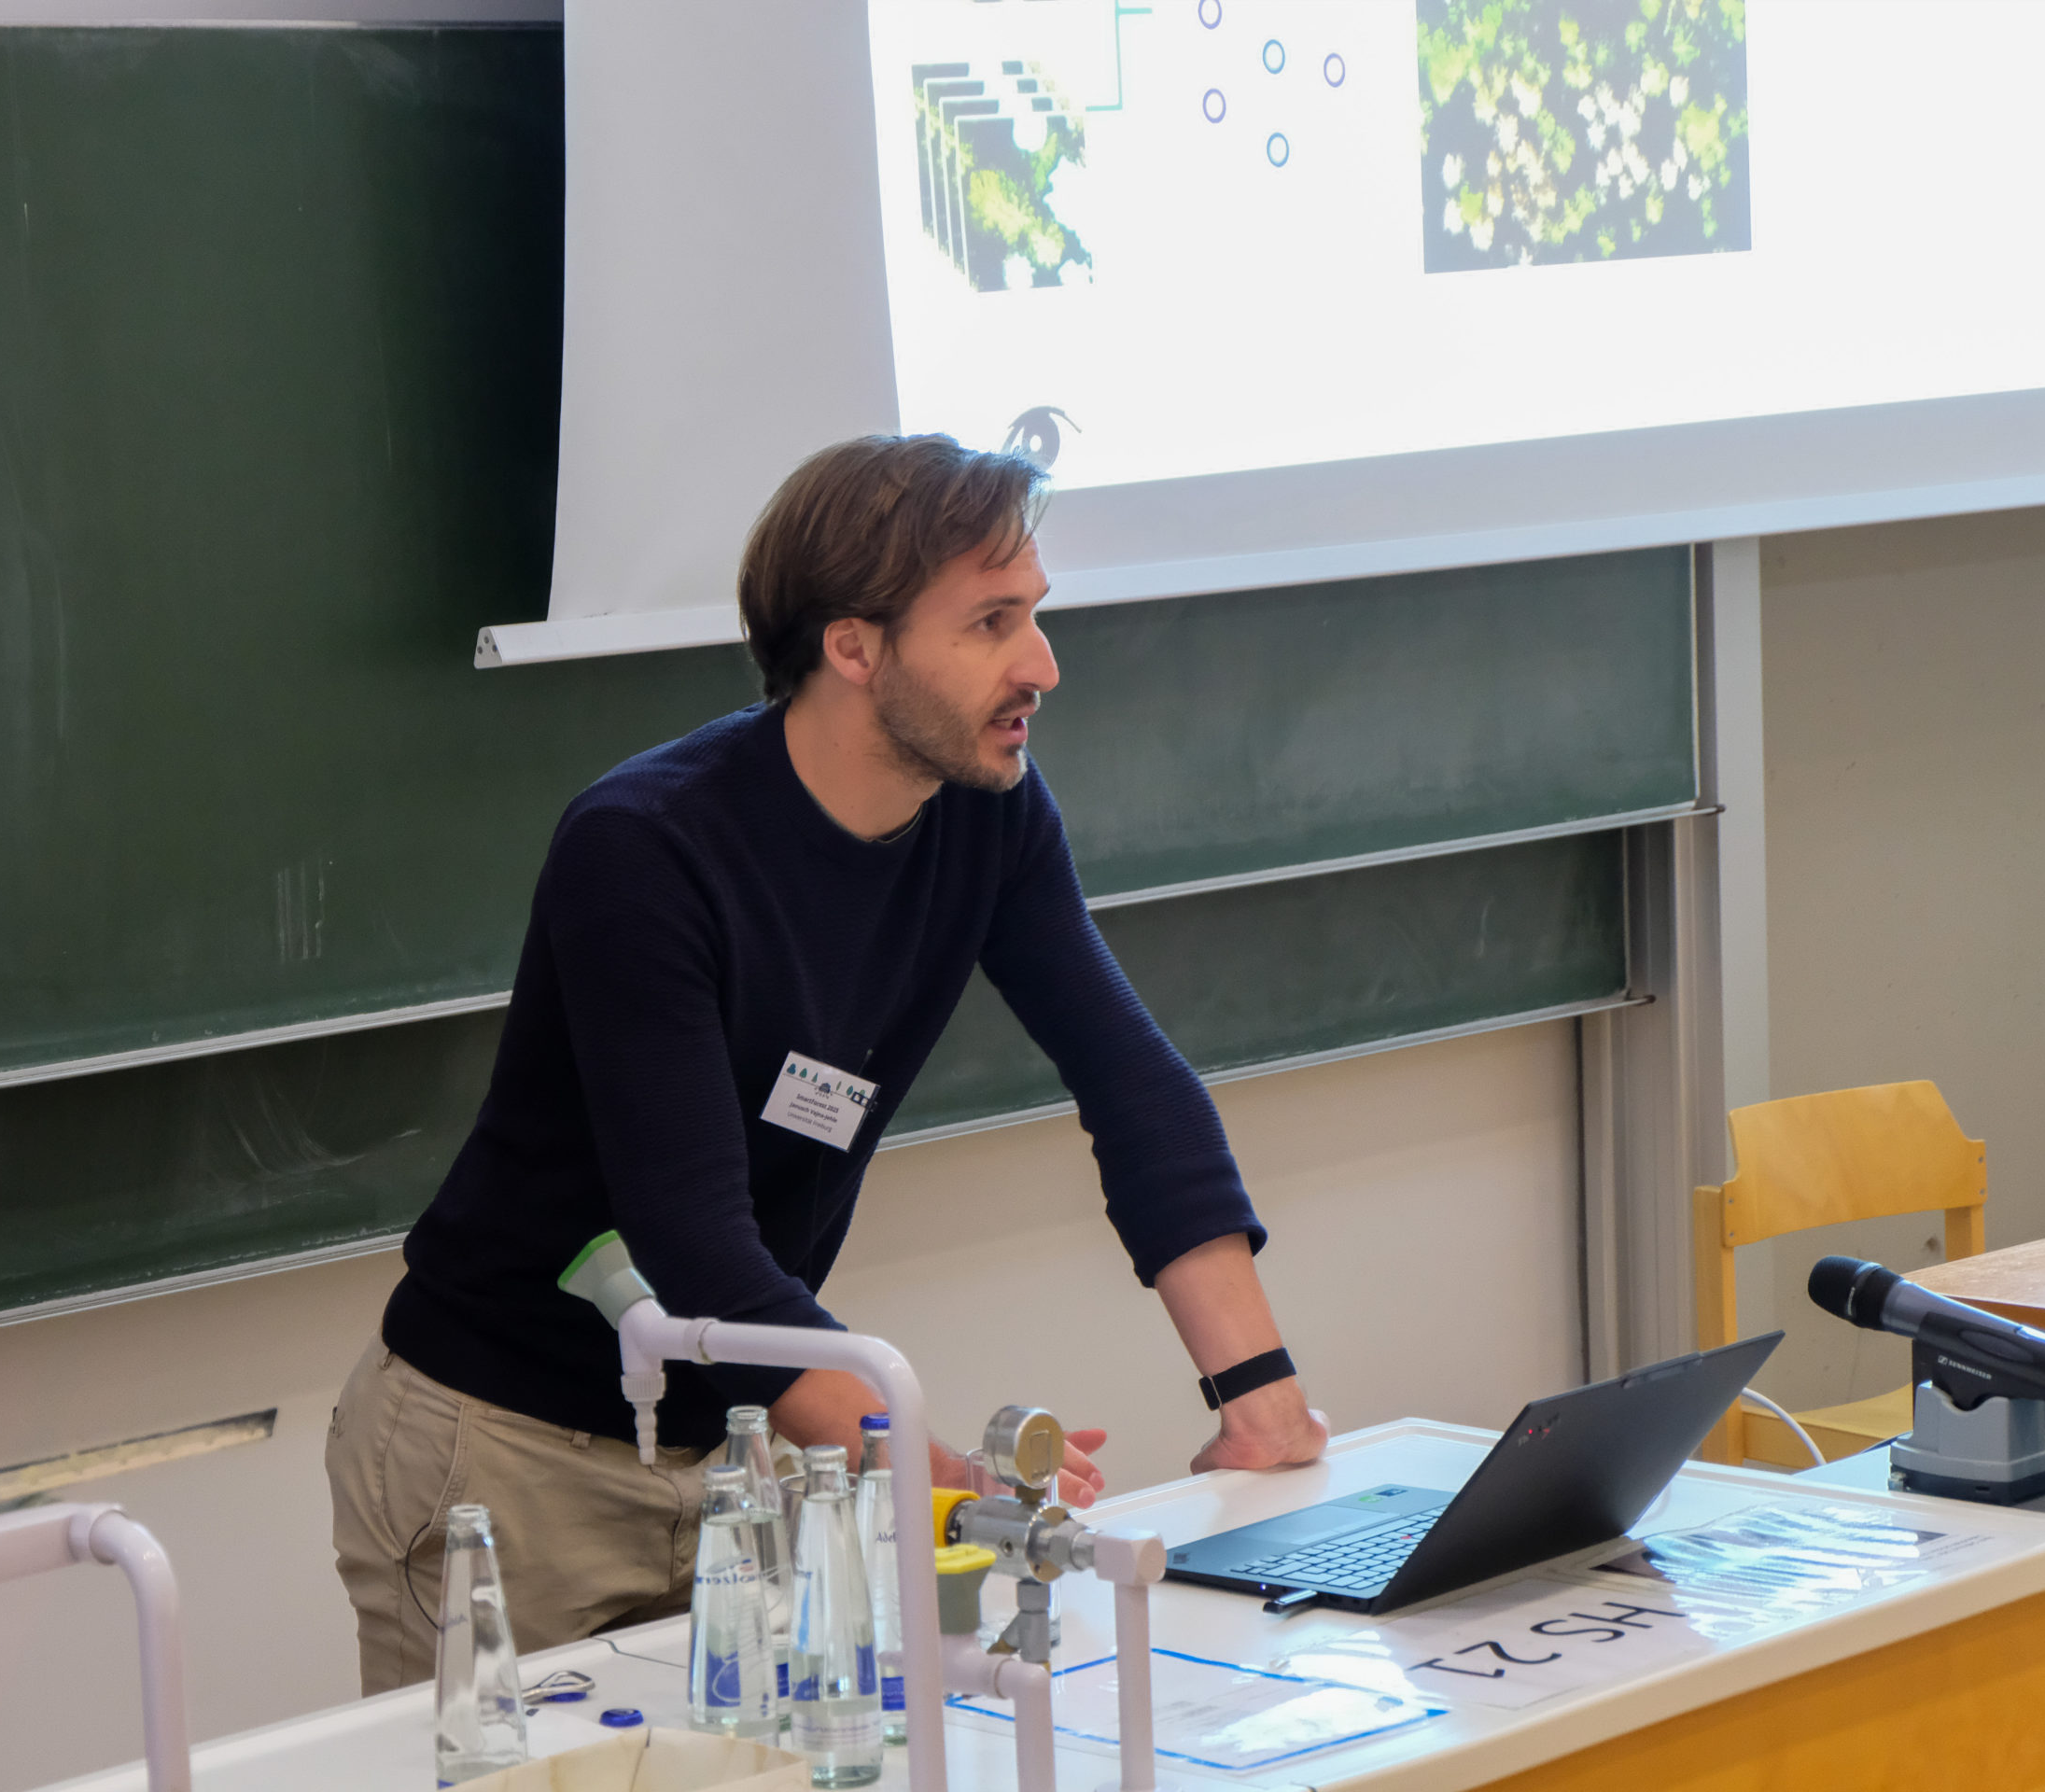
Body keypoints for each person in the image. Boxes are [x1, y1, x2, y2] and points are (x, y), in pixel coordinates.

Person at [325, 435, 1326, 1688]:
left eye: (1037, 615)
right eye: (991, 623)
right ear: (854, 648)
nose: (1042, 666)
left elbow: (1133, 1083)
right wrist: (941, 1476)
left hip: (746, 1438)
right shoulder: (643, 851)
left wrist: (1261, 1399)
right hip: (509, 1450)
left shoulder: (988, 810)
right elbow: (695, 1246)